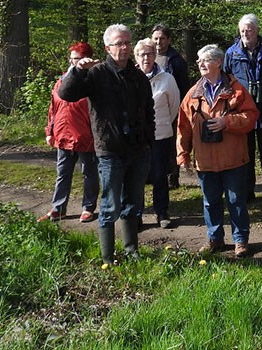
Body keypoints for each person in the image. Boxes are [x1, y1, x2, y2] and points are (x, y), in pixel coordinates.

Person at [59, 24, 156, 265]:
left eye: (126, 43)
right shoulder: (96, 73)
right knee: (110, 205)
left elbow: (149, 110)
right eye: (118, 43)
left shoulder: (138, 76)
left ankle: (131, 251)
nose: (124, 47)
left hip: (138, 149)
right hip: (110, 150)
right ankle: (107, 258)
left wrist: (148, 139)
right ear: (107, 48)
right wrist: (77, 70)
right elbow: (66, 94)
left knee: (134, 203)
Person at [177, 44, 260, 258]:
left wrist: (227, 122)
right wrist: (182, 153)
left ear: (218, 63)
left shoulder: (237, 90)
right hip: (204, 161)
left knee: (236, 201)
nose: (201, 64)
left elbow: (251, 117)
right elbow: (183, 126)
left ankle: (240, 240)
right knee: (210, 201)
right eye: (199, 61)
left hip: (233, 158)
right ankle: (215, 239)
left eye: (205, 60)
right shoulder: (193, 94)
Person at [38, 42, 100, 224]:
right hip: (62, 136)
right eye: (72, 59)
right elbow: (53, 109)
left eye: (79, 59)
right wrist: (50, 131)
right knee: (62, 173)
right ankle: (58, 208)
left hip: (85, 137)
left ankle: (88, 207)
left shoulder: (93, 82)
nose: (75, 63)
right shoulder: (61, 81)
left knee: (89, 173)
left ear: (87, 60)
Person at [224, 13, 262, 204]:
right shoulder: (232, 52)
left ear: (257, 31)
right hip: (243, 108)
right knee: (244, 151)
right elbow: (226, 79)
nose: (246, 33)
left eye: (249, 30)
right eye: (242, 30)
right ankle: (247, 190)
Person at [135, 38, 181, 229]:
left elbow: (174, 106)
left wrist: (160, 124)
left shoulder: (167, 78)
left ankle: (162, 212)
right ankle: (135, 214)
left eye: (150, 53)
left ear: (155, 55)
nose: (146, 57)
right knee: (135, 177)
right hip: (136, 137)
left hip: (160, 134)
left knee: (160, 175)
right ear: (136, 57)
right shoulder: (130, 77)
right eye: (142, 54)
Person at [150, 24, 190, 189]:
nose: (159, 41)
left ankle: (172, 176)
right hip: (152, 110)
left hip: (172, 108)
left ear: (169, 40)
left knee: (172, 143)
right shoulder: (147, 56)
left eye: (162, 38)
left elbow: (183, 86)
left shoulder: (176, 60)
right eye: (156, 38)